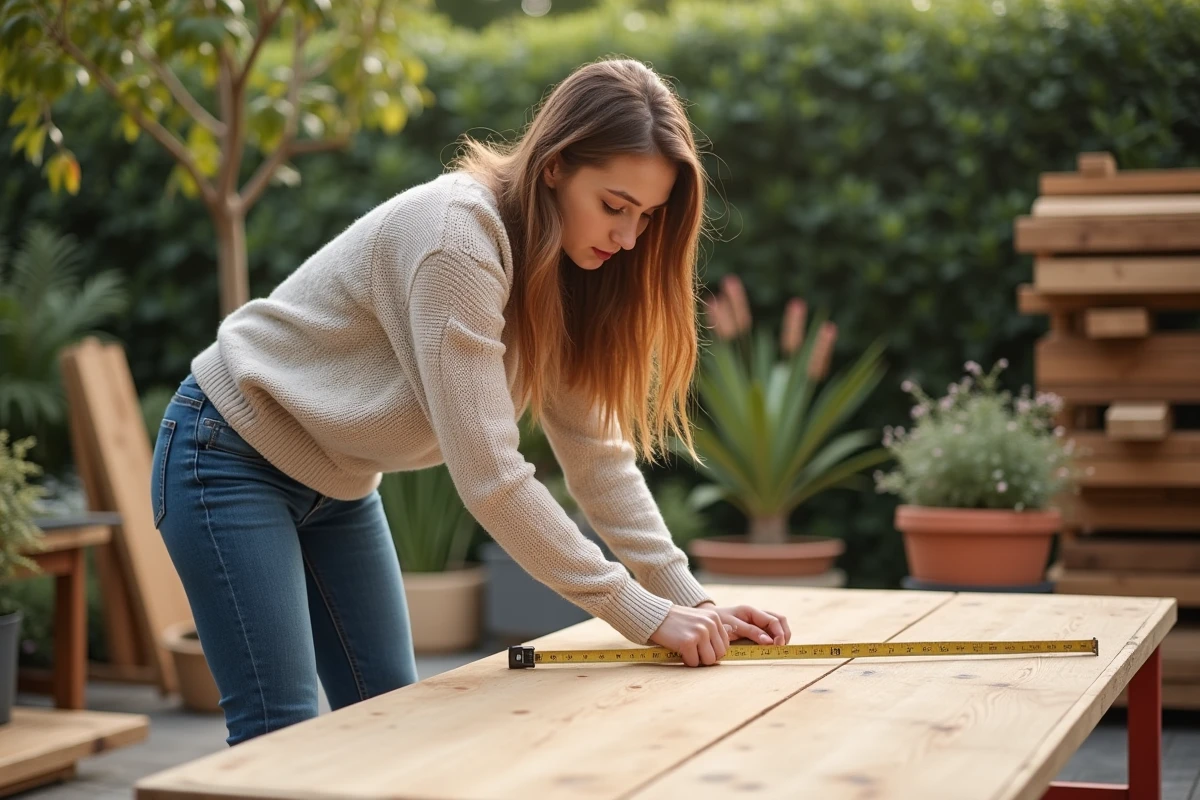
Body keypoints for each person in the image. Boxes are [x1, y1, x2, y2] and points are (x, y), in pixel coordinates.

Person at [151, 57, 792, 748]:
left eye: (645, 216)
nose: (629, 238)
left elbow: (598, 458)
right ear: (554, 167)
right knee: (278, 738)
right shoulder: (457, 240)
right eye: (613, 206)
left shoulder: (575, 264)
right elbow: (491, 477)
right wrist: (642, 615)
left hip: (335, 487)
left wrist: (690, 600)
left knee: (393, 722)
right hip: (227, 453)